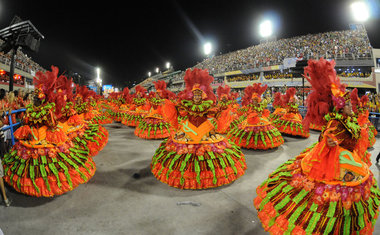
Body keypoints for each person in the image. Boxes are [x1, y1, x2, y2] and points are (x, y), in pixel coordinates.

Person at [254, 58, 380, 234]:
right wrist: (329, 141)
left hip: (348, 158)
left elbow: (356, 138)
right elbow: (326, 137)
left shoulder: (350, 120)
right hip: (337, 161)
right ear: (341, 107)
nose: (352, 105)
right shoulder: (335, 123)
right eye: (349, 104)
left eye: (351, 103)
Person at [151, 68, 246, 189]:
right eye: (195, 94)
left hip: (204, 129)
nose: (196, 96)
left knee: (210, 150)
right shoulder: (187, 105)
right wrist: (171, 106)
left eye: (198, 94)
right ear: (192, 95)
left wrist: (222, 112)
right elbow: (180, 113)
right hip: (189, 129)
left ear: (202, 95)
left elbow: (214, 114)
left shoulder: (206, 106)